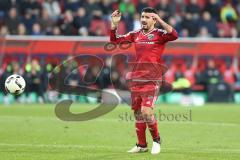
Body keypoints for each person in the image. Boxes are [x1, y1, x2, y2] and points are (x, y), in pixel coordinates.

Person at [110, 7, 178, 154]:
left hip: (152, 78)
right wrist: (114, 24)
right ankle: (141, 145)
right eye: (142, 17)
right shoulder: (136, 34)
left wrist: (159, 19)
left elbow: (174, 35)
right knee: (137, 113)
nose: (143, 20)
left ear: (153, 19)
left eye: (147, 17)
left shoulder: (159, 34)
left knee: (146, 112)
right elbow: (114, 40)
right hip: (137, 78)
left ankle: (157, 140)